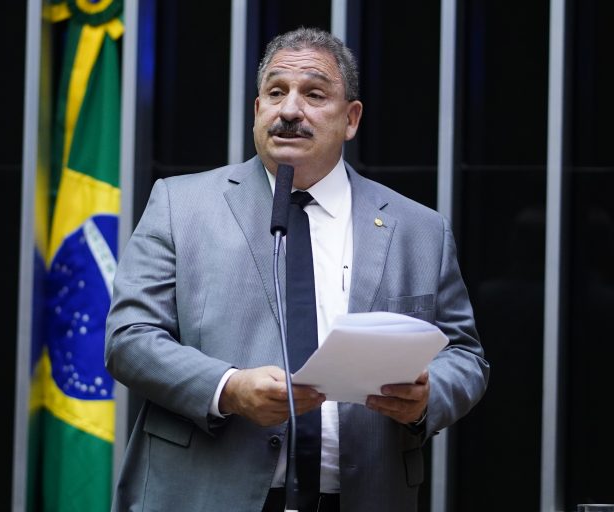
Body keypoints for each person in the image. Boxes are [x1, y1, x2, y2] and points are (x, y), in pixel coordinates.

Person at [105, 27, 489, 512]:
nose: (289, 110)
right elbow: (130, 338)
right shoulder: (181, 206)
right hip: (206, 494)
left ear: (351, 119)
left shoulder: (419, 229)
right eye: (276, 92)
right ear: (257, 109)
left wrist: (427, 397)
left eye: (314, 94)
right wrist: (230, 388)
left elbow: (465, 356)